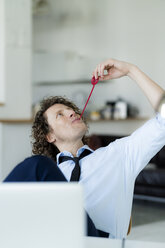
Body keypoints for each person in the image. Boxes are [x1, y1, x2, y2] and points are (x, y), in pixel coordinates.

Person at [4, 58, 165, 239]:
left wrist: (130, 70)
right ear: (50, 136)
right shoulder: (50, 175)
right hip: (57, 241)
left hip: (96, 241)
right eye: (60, 115)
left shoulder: (119, 154)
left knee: (36, 164)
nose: (72, 113)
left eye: (70, 110)